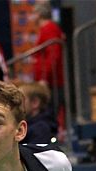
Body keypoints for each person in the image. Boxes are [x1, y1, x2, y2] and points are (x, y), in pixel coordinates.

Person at [33, 1, 66, 130]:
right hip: (48, 81)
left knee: (50, 113)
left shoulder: (50, 29)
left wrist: (44, 78)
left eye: (34, 13)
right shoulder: (46, 29)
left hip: (51, 82)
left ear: (39, 14)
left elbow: (53, 55)